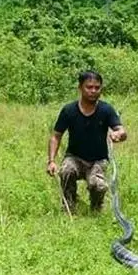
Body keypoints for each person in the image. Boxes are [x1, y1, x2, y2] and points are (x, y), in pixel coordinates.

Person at [47, 71, 127, 213]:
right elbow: (56, 136)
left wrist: (119, 134)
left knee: (98, 185)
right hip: (74, 157)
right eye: (89, 87)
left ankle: (95, 209)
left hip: (98, 160)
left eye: (97, 87)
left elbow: (121, 130)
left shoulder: (106, 110)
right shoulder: (68, 110)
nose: (93, 91)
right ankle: (69, 207)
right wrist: (51, 161)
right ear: (80, 88)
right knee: (66, 171)